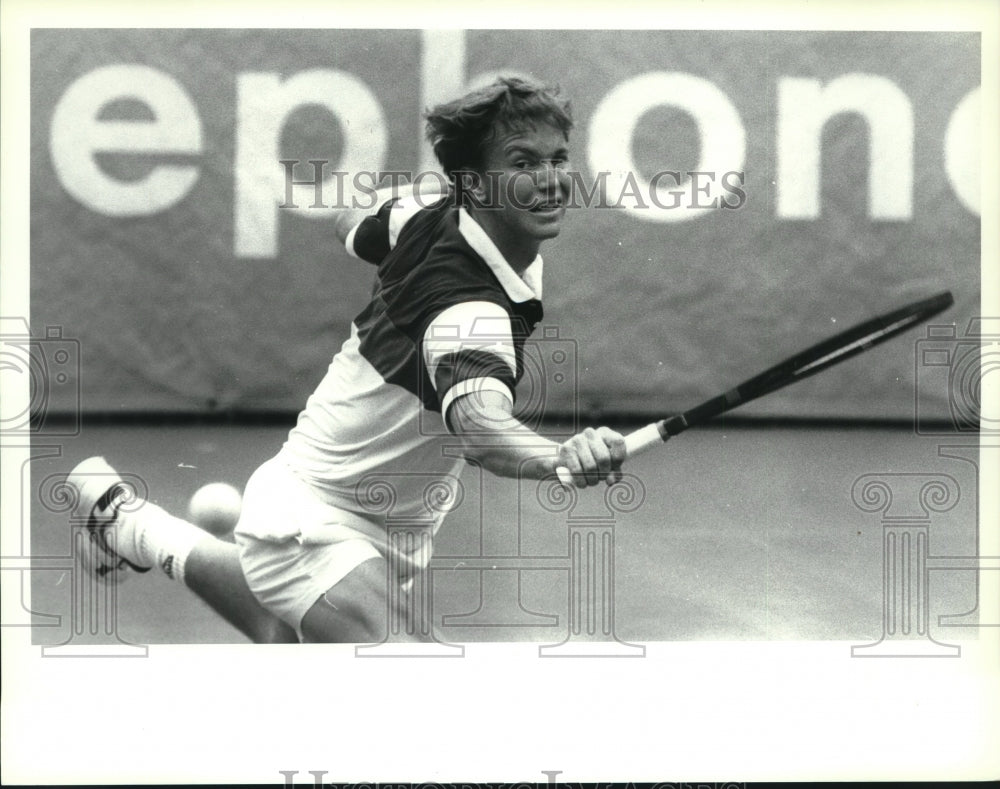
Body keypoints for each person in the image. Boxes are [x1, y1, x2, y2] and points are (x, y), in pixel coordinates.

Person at [67, 76, 627, 644]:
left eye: (558, 159)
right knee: (409, 667)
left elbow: (351, 222)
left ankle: (124, 524)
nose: (552, 181)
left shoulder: (426, 212)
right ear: (474, 183)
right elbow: (482, 430)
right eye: (524, 164)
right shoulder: (468, 312)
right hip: (316, 519)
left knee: (276, 630)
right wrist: (560, 454)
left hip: (379, 526)